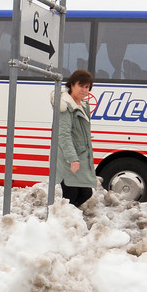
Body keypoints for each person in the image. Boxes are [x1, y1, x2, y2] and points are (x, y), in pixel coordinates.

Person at [52, 68, 96, 207]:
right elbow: (63, 135)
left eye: (87, 87)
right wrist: (72, 158)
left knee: (85, 192)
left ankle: (67, 217)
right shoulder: (65, 107)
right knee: (71, 194)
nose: (84, 90)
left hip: (79, 155)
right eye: (81, 85)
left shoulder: (82, 105)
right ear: (72, 85)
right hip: (68, 158)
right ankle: (64, 221)